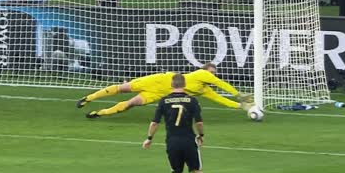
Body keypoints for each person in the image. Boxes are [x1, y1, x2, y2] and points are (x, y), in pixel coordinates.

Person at [142, 74, 215, 173]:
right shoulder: (192, 100)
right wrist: (201, 135)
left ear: (171, 84)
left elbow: (154, 123)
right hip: (188, 140)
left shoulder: (164, 101)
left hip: (172, 142)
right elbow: (199, 123)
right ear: (185, 84)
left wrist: (149, 138)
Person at [77, 62, 254, 118]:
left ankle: (99, 113)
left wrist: (240, 106)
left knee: (132, 103)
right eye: (212, 73)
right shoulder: (202, 73)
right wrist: (238, 95)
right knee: (124, 88)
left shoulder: (204, 90)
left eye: (214, 73)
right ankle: (89, 97)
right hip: (159, 79)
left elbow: (220, 99)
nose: (213, 76)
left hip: (160, 93)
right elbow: (222, 84)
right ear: (206, 70)